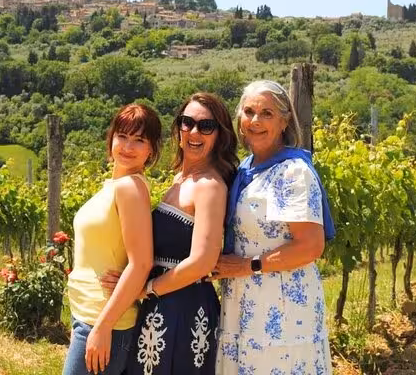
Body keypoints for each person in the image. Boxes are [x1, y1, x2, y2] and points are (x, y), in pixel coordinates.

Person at [101, 92, 238, 375]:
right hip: (161, 304)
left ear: (219, 135)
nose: (194, 131)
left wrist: (146, 289)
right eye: (187, 122)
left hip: (185, 310)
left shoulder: (210, 186)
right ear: (178, 129)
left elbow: (202, 261)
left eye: (206, 126)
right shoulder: (179, 179)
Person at [210, 80, 336, 375]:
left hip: (281, 307)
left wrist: (247, 266)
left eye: (267, 113)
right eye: (249, 111)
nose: (256, 121)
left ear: (284, 121)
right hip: (243, 301)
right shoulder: (244, 170)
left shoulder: (293, 173)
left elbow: (310, 246)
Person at [63, 103, 162, 375]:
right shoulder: (114, 186)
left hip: (103, 319)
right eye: (123, 136)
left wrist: (103, 327)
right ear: (111, 139)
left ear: (151, 149)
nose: (128, 146)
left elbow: (141, 263)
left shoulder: (131, 187)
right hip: (88, 315)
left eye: (139, 140)